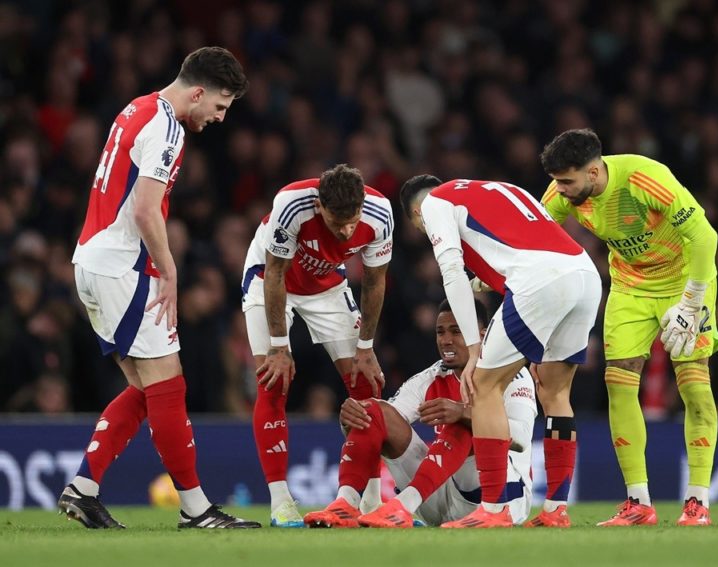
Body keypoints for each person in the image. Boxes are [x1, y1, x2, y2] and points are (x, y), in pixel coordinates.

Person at [60, 47, 260, 529]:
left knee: (145, 387)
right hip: (124, 267)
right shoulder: (167, 125)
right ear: (197, 92)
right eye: (219, 106)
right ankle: (196, 510)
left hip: (92, 260)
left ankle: (83, 489)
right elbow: (147, 208)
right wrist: (168, 269)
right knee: (168, 385)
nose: (219, 117)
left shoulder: (135, 107)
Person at [539, 128, 718, 526]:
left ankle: (698, 502)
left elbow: (705, 236)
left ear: (593, 172)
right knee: (618, 384)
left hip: (686, 282)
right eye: (556, 182)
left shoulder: (644, 177)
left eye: (567, 182)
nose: (561, 191)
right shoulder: (562, 193)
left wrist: (692, 301)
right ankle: (638, 502)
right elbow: (533, 236)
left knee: (693, 384)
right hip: (629, 287)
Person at [398, 175, 601, 528]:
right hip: (584, 272)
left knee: (484, 384)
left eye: (420, 226)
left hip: (539, 280)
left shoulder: (434, 204)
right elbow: (519, 246)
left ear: (417, 212)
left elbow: (451, 273)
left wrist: (475, 349)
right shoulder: (500, 189)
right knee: (555, 391)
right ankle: (555, 509)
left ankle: (493, 510)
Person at [241, 163, 393, 526]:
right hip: (270, 281)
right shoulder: (292, 203)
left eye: (351, 221)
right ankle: (281, 503)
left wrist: (366, 347)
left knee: (366, 385)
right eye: (335, 221)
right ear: (319, 205)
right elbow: (275, 272)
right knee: (273, 381)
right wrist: (279, 346)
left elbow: (374, 282)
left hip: (327, 285)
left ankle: (371, 502)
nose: (345, 231)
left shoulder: (380, 212)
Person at [303, 299, 536, 528]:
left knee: (466, 422)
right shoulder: (431, 378)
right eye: (440, 332)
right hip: (439, 501)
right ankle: (346, 503)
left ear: (483, 335)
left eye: (457, 331)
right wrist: (353, 418)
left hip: (499, 500)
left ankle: (403, 505)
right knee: (373, 410)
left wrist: (464, 413)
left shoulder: (512, 375)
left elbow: (522, 438)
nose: (446, 340)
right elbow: (379, 423)